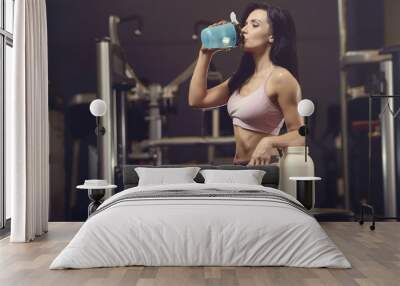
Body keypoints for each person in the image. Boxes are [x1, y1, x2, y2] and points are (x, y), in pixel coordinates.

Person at [188, 2, 304, 166]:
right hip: (240, 168)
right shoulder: (241, 78)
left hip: (266, 171)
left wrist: (269, 142)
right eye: (245, 24)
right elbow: (197, 100)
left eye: (254, 24)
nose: (243, 29)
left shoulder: (280, 78)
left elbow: (301, 134)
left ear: (272, 36)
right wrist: (205, 53)